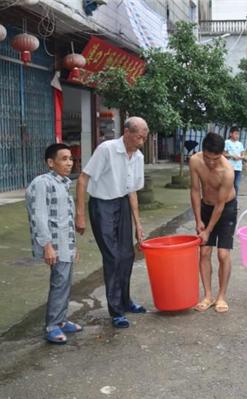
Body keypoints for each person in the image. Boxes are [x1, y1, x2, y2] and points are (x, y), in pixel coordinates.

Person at [76, 116, 148, 329]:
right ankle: (115, 310)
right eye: (139, 137)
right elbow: (82, 179)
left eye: (144, 138)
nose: (141, 142)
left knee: (127, 255)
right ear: (126, 132)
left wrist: (138, 224)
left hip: (123, 204)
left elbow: (132, 190)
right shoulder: (107, 149)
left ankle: (125, 302)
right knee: (113, 256)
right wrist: (79, 215)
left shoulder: (138, 157)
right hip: (102, 205)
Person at [26, 143, 82, 344]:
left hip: (65, 243)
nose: (69, 163)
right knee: (59, 283)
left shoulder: (62, 183)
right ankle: (52, 325)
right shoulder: (42, 183)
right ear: (51, 162)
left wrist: (73, 245)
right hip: (54, 244)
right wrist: (47, 245)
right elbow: (39, 215)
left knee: (65, 282)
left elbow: (65, 218)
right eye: (64, 159)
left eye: (71, 159)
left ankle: (61, 320)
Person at [190, 132, 237, 313]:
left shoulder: (227, 172)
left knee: (223, 254)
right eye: (208, 158)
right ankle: (208, 295)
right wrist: (198, 220)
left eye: (216, 158)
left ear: (222, 153)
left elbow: (220, 204)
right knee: (204, 252)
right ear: (203, 151)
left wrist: (208, 230)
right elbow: (195, 190)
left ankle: (221, 296)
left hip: (226, 208)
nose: (211, 162)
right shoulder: (195, 161)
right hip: (205, 206)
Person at [224, 127, 245, 196]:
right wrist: (232, 156)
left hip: (238, 168)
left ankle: (234, 202)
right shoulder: (227, 142)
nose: (237, 136)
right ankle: (226, 200)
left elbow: (243, 155)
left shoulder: (240, 144)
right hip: (229, 167)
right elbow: (223, 154)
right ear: (230, 134)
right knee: (228, 185)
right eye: (235, 134)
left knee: (236, 185)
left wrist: (240, 157)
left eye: (238, 134)